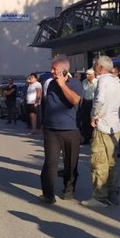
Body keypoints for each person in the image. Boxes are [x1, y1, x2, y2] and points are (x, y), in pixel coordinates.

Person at [40, 56, 83, 204]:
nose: (52, 71)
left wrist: (63, 85)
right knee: (50, 163)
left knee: (70, 163)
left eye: (54, 69)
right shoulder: (50, 84)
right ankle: (48, 194)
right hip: (51, 130)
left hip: (70, 130)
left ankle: (69, 189)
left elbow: (75, 101)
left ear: (64, 70)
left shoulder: (75, 83)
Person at [83, 55, 120, 208]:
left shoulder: (103, 81)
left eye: (95, 65)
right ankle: (113, 192)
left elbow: (99, 100)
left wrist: (94, 115)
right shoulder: (116, 82)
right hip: (115, 125)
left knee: (99, 161)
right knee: (112, 161)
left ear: (100, 67)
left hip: (103, 124)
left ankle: (100, 196)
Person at [79, 68, 97, 143]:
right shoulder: (84, 82)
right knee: (85, 121)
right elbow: (82, 93)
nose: (87, 76)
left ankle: (93, 138)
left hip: (92, 102)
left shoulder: (97, 82)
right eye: (86, 74)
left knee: (92, 120)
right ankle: (86, 138)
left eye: (89, 74)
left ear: (93, 75)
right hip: (85, 102)